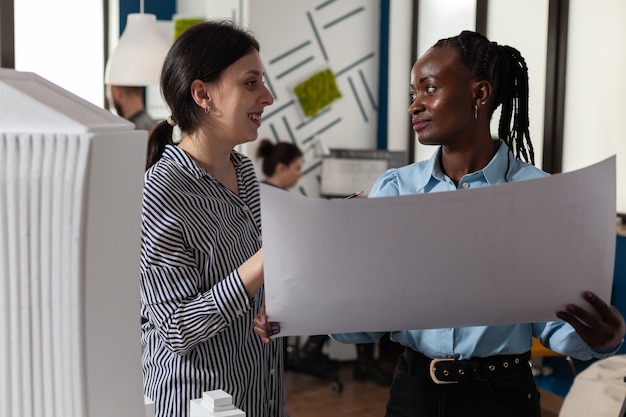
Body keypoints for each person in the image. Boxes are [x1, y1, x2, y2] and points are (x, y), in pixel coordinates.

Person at [254, 30, 625, 417]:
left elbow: (555, 324)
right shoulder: (395, 190)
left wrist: (603, 338)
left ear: (480, 94)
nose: (415, 106)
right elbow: (361, 325)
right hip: (414, 393)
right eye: (413, 93)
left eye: (429, 89)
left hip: (503, 397)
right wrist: (304, 306)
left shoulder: (540, 194)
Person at [140, 20, 286, 417]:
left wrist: (272, 307)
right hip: (196, 403)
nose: (268, 97)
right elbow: (174, 329)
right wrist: (269, 258)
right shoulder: (161, 191)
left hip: (260, 394)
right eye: (251, 83)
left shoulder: (244, 171)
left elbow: (255, 286)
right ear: (203, 94)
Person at [256, 137, 394, 386]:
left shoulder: (278, 196)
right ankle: (339, 357)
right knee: (343, 289)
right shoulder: (268, 199)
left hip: (290, 273)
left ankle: (328, 354)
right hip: (278, 279)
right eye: (297, 168)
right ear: (281, 168)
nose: (299, 174)